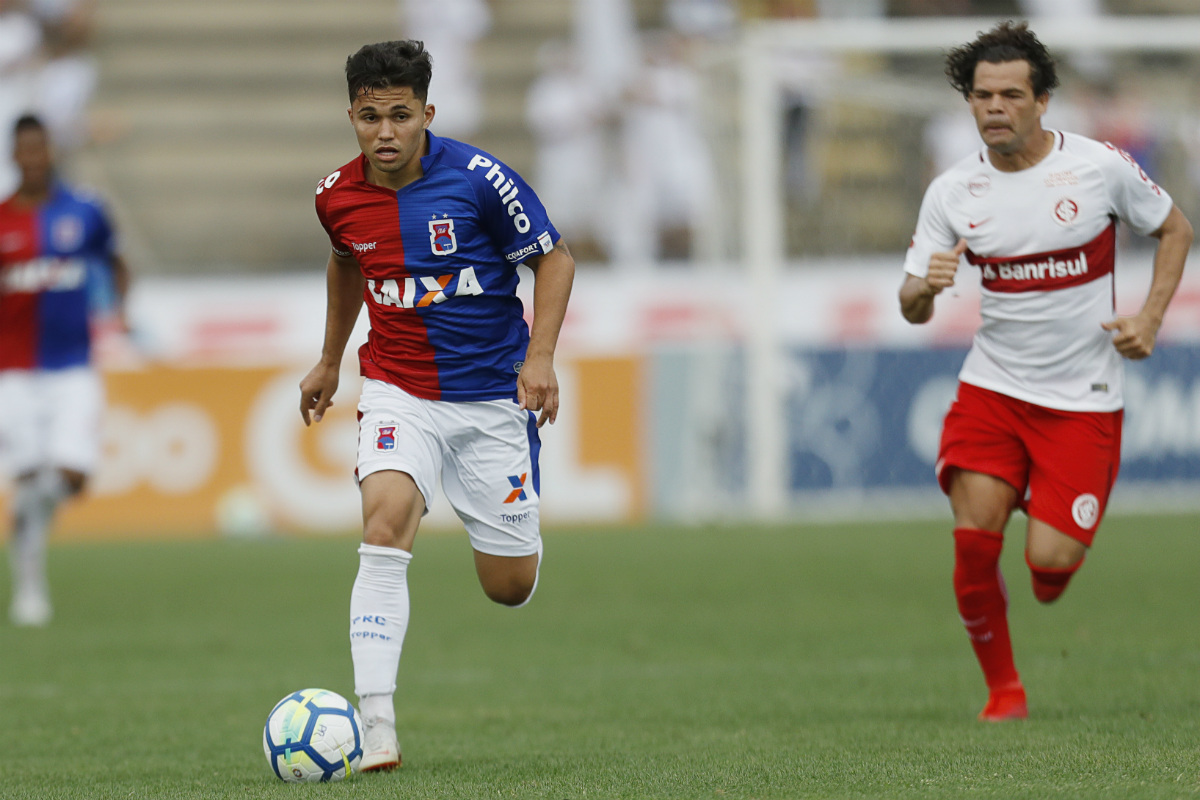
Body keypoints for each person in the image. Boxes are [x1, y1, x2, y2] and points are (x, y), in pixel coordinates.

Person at [899, 22, 1192, 721]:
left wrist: (1149, 318)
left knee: (1051, 568)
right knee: (974, 539)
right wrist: (926, 289)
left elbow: (1175, 228)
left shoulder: (1097, 169)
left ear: (1043, 101)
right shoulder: (952, 192)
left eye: (1010, 95)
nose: (994, 107)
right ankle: (1004, 691)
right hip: (992, 389)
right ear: (968, 104)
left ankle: (1049, 531)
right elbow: (909, 305)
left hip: (1084, 400)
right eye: (981, 96)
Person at [298, 40, 575, 771]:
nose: (384, 132)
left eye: (398, 115)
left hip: (490, 400)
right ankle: (377, 726)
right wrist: (330, 359)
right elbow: (346, 264)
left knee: (508, 587)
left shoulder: (482, 180)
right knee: (384, 524)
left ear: (427, 112)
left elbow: (555, 258)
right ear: (351, 116)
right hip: (399, 389)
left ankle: (512, 536)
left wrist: (540, 356)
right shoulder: (336, 197)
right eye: (368, 117)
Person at [0, 113, 130, 626]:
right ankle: (30, 585)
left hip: (73, 365)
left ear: (51, 152)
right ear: (15, 156)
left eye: (41, 149)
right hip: (12, 370)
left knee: (71, 476)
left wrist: (120, 311)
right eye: (24, 151)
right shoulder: (3, 218)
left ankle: (29, 529)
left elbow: (116, 261)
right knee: (28, 476)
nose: (34, 160)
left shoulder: (85, 210)